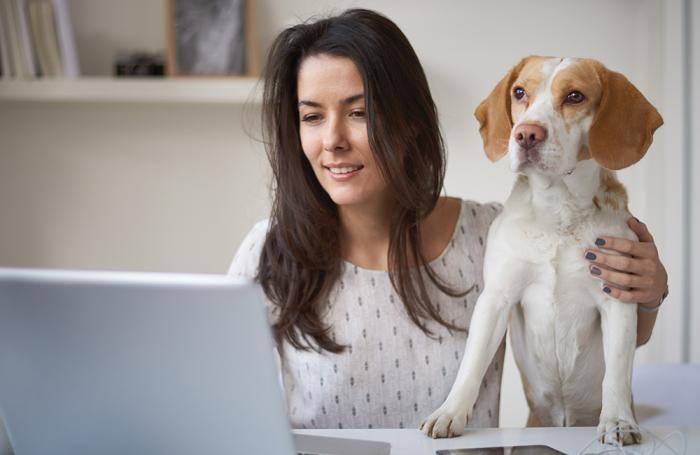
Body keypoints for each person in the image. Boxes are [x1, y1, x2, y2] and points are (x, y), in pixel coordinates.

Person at [228, 8, 668, 430]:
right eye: (311, 116)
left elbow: (595, 329)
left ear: (411, 121)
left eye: (360, 112)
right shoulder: (267, 252)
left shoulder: (489, 234)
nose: (333, 140)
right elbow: (218, 395)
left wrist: (648, 291)